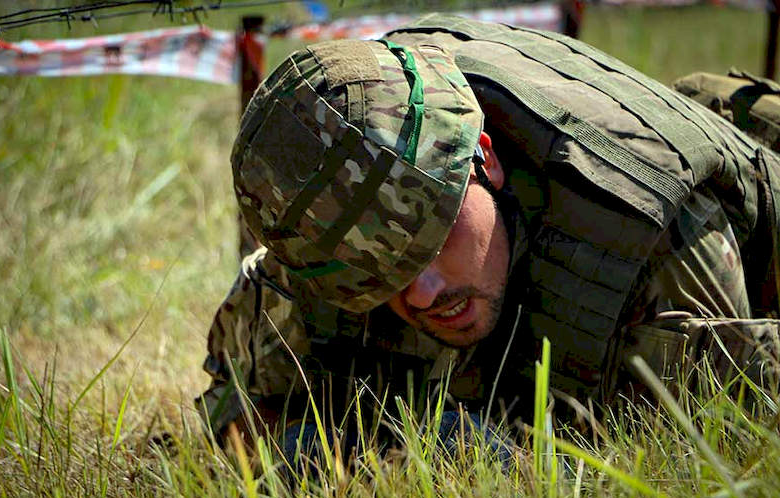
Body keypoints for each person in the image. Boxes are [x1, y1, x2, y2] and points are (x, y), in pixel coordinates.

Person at [196, 14, 780, 461]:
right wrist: (348, 452)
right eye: (382, 277)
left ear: (485, 160)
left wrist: (506, 453)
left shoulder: (645, 235)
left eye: (428, 241)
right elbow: (236, 411)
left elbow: (722, 451)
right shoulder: (339, 226)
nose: (421, 292)